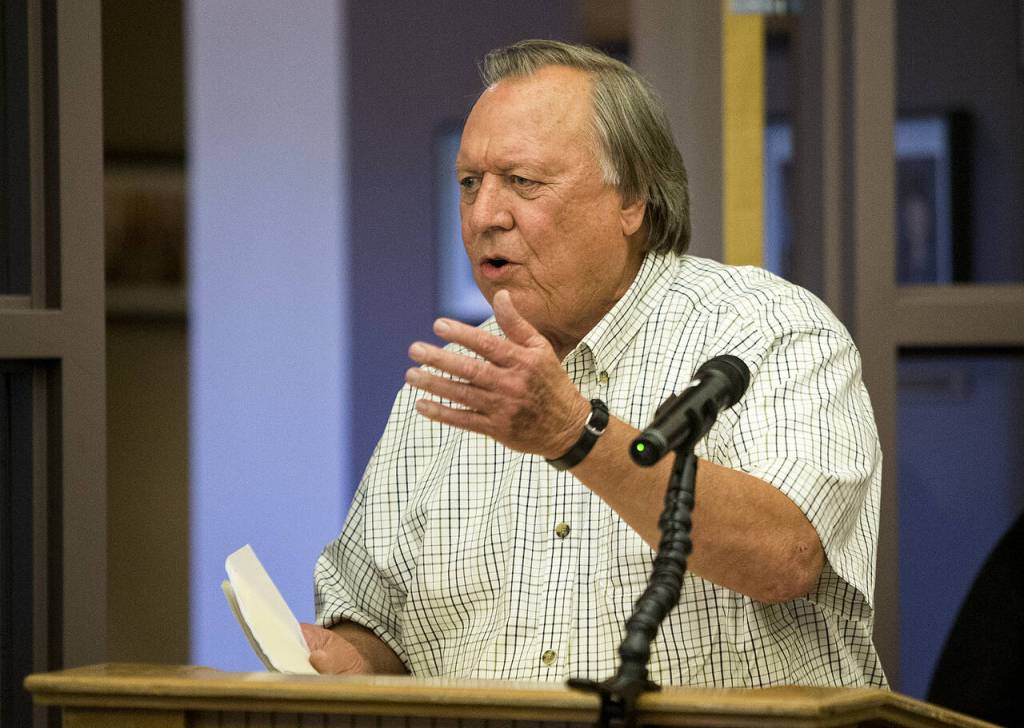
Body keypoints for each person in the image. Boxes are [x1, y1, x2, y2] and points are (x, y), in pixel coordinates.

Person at [303, 39, 886, 688]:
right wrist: (341, 658)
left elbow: (786, 555)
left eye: (523, 183)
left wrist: (574, 434)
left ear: (631, 199)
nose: (486, 216)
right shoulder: (460, 379)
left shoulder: (767, 328)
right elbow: (375, 618)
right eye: (470, 184)